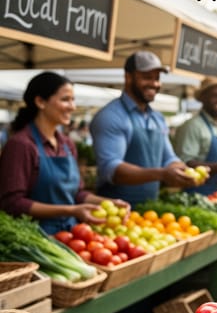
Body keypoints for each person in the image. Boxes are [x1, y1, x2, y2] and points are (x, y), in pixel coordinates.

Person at [0, 72, 128, 234]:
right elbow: (13, 203)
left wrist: (107, 202)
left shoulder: (67, 144)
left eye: (73, 100)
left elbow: (77, 193)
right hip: (33, 238)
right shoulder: (21, 145)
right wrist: (70, 210)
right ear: (40, 102)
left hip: (70, 234)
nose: (73, 107)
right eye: (65, 99)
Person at [91, 51, 196, 205]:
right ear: (128, 77)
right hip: (115, 211)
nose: (154, 84)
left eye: (157, 78)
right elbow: (112, 169)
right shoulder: (111, 116)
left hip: (150, 210)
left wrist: (184, 171)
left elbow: (168, 158)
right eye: (147, 77)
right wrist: (162, 174)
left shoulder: (157, 118)